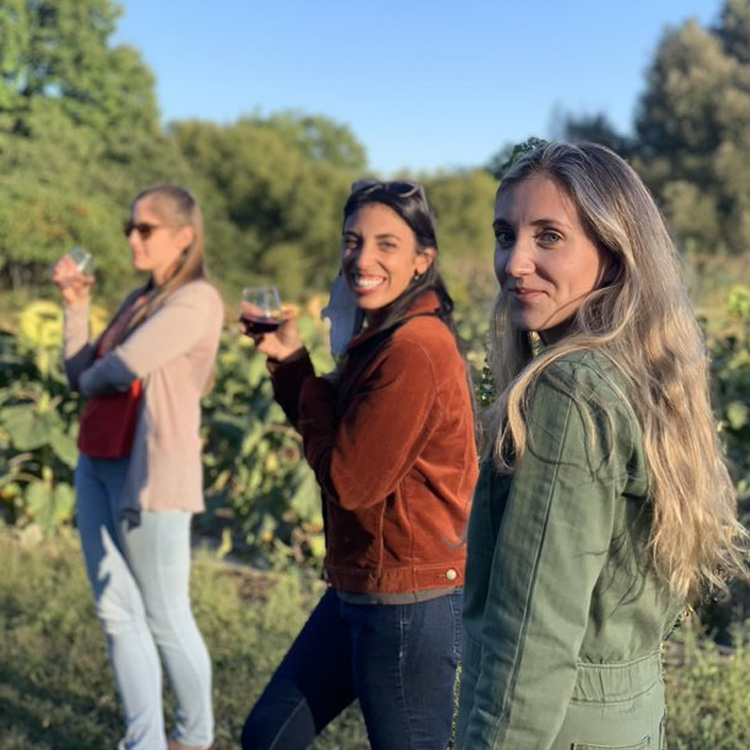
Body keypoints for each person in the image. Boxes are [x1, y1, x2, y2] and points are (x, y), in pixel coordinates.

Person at [455, 141, 748, 749]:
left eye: (549, 236)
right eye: (506, 235)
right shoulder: (642, 377)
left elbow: (532, 639)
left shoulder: (569, 389)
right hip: (630, 719)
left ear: (614, 254)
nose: (514, 262)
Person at [240, 179, 478, 750]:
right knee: (269, 733)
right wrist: (291, 363)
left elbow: (349, 479)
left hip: (408, 601)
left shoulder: (415, 348)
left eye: (385, 244)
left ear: (423, 259)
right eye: (352, 241)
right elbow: (347, 444)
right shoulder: (382, 337)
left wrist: (312, 390)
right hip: (362, 583)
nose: (362, 259)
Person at [53, 185, 223, 750]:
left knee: (165, 615)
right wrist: (76, 308)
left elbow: (116, 368)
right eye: (131, 226)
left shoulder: (196, 301)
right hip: (98, 460)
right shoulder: (137, 300)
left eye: (145, 229)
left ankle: (194, 739)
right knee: (115, 610)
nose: (132, 237)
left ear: (183, 237)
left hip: (151, 475)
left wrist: (99, 371)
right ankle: (143, 742)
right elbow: (81, 370)